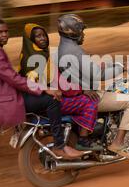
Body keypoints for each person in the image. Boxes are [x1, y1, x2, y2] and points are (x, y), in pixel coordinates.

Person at [0, 18, 85, 159]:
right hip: (4, 102)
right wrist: (44, 89)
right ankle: (60, 146)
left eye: (6, 31)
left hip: (6, 96)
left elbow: (11, 77)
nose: (4, 35)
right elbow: (13, 78)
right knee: (52, 100)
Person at [57, 14, 129, 159]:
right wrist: (122, 68)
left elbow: (88, 67)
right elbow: (97, 75)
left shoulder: (63, 48)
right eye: (81, 30)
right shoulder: (75, 50)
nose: (83, 34)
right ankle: (118, 143)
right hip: (90, 95)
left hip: (77, 93)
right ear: (73, 31)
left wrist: (113, 65)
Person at [18, 23, 102, 151]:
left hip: (34, 100)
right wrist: (82, 89)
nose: (43, 39)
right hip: (45, 101)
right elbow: (53, 83)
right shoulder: (39, 58)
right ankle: (83, 140)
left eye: (44, 35)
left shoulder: (35, 54)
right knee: (90, 101)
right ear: (31, 40)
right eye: (38, 36)